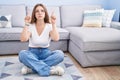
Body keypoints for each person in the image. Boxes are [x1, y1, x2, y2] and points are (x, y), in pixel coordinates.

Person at [18, 3, 64, 76]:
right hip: (32, 53)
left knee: (60, 54)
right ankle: (50, 70)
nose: (40, 13)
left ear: (45, 13)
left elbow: (56, 38)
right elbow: (23, 39)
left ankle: (32, 68)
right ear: (34, 14)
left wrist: (54, 24)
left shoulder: (49, 26)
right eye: (37, 11)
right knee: (22, 54)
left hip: (46, 53)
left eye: (42, 11)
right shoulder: (31, 25)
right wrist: (26, 23)